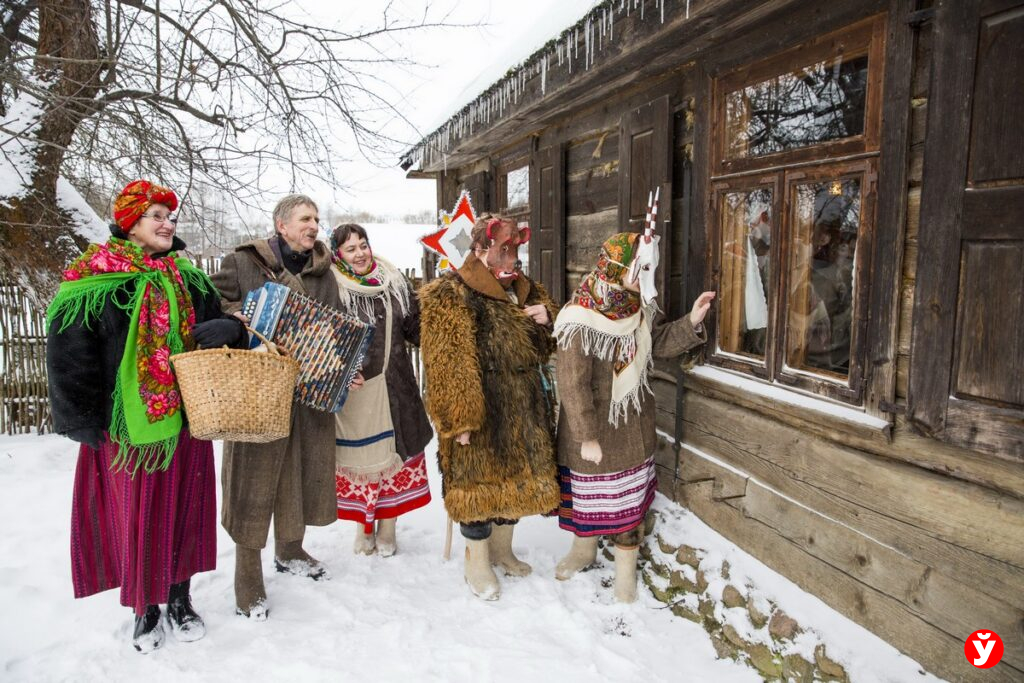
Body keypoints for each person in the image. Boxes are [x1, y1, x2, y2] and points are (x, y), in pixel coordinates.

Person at [46, 180, 247, 652]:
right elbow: (69, 351)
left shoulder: (188, 276)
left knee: (183, 511)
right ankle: (146, 608)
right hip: (128, 428)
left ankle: (180, 597)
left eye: (170, 216)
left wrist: (228, 329)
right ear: (129, 222)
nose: (167, 224)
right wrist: (79, 416)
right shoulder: (93, 277)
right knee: (140, 516)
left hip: (188, 418)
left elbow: (216, 327)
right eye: (156, 215)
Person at [552, 229, 714, 602]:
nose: (645, 277)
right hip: (591, 430)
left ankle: (625, 575)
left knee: (627, 506)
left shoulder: (637, 306)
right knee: (588, 501)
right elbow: (573, 384)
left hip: (632, 423)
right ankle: (583, 550)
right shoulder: (578, 318)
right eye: (639, 269)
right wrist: (586, 435)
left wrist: (691, 321)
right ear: (616, 266)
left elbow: (655, 345)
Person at [211, 194, 341, 619]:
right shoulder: (242, 262)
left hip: (308, 393)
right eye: (306, 219)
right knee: (253, 478)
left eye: (317, 219)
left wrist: (342, 364)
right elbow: (215, 307)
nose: (314, 225)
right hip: (259, 391)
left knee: (301, 471)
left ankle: (291, 550)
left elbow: (335, 327)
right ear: (281, 225)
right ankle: (247, 575)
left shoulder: (324, 272)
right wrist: (253, 320)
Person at [419, 213, 560, 600]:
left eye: (515, 248)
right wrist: (459, 418)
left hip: (524, 405)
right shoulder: (453, 292)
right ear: (479, 249)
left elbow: (549, 345)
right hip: (481, 406)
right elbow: (448, 358)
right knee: (477, 488)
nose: (511, 257)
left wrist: (548, 320)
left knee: (515, 482)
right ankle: (476, 561)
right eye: (503, 248)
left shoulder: (526, 289)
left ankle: (503, 550)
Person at [329, 223, 433, 556]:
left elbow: (414, 328)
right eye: (350, 248)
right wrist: (341, 372)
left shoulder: (394, 282)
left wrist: (438, 310)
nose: (360, 253)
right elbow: (324, 338)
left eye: (363, 245)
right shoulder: (334, 287)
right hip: (358, 390)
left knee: (397, 458)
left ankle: (389, 526)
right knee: (366, 461)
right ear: (338, 255)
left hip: (398, 385)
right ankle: (364, 526)